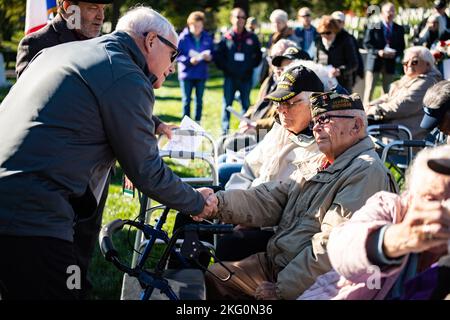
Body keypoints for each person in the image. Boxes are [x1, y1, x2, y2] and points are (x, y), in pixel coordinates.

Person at [0, 6, 215, 300]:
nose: (172, 67)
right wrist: (196, 202)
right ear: (151, 41)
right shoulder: (127, 74)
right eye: (173, 54)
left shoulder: (63, 53)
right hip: (32, 215)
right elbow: (146, 171)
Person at [196, 91, 397, 300]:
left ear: (356, 126)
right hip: (280, 264)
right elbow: (271, 198)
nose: (316, 127)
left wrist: (284, 289)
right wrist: (217, 203)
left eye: (326, 120)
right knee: (214, 277)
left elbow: (332, 245)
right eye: (316, 120)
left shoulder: (366, 171)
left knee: (218, 277)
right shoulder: (323, 161)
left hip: (315, 283)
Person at [299, 145, 450, 300]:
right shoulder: (391, 208)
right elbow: (340, 248)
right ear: (410, 197)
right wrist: (401, 238)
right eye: (431, 199)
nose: (443, 210)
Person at [215, 65, 325, 261]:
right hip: (246, 208)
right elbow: (248, 169)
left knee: (230, 244)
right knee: (191, 211)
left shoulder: (322, 144)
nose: (282, 110)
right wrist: (233, 207)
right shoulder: (280, 128)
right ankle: (171, 286)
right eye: (278, 102)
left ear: (314, 104)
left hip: (276, 228)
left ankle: (212, 287)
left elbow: (293, 206)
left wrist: (249, 219)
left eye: (291, 103)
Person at [16, 0, 111, 78]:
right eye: (93, 8)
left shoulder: (103, 44)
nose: (101, 16)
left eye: (103, 9)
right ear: (68, 7)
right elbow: (28, 97)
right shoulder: (35, 44)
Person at [366, 46, 442, 140]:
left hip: (403, 137)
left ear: (427, 64)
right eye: (405, 63)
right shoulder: (409, 79)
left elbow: (401, 106)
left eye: (414, 62)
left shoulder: (427, 82)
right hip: (391, 130)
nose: (409, 65)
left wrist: (376, 110)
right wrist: (368, 106)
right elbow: (388, 97)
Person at [214, 7, 262, 135]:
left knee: (246, 106)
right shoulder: (226, 37)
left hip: (246, 78)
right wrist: (227, 69)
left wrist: (249, 67)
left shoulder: (252, 37)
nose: (240, 20)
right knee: (227, 106)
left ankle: (246, 133)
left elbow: (258, 56)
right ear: (231, 19)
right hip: (230, 77)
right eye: (237, 17)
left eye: (242, 17)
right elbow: (218, 56)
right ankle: (224, 134)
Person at [363, 2, 405, 105]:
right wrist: (378, 52)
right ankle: (365, 112)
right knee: (370, 90)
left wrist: (395, 53)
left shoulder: (398, 28)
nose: (390, 13)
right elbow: (366, 44)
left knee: (387, 91)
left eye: (392, 11)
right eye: (388, 11)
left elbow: (401, 46)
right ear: (382, 13)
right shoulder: (373, 26)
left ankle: (383, 113)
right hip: (374, 63)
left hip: (390, 63)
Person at [177, 11, 214, 123]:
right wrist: (189, 60)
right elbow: (176, 55)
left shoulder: (207, 37)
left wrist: (209, 57)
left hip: (201, 73)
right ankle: (185, 124)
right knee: (186, 100)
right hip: (186, 74)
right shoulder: (183, 38)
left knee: (199, 101)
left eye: (199, 26)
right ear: (189, 24)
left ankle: (197, 123)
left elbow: (213, 52)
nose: (197, 28)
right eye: (195, 26)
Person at [315, 16, 359, 93]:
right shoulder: (318, 41)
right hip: (324, 83)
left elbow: (354, 63)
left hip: (342, 84)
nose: (325, 35)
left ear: (335, 31)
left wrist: (339, 71)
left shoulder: (345, 40)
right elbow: (316, 60)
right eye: (322, 33)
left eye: (328, 32)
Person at [331, 11, 365, 95]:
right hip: (328, 80)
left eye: (339, 21)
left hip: (345, 80)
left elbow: (355, 61)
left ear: (343, 23)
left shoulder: (349, 38)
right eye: (334, 21)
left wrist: (359, 73)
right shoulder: (323, 36)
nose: (336, 24)